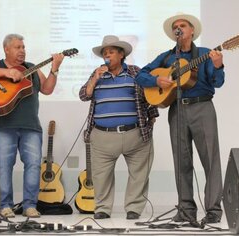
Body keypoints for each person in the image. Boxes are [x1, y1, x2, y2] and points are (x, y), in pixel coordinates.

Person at [135, 14, 224, 224]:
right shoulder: (166, 58)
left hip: (202, 107)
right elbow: (140, 75)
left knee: (210, 159)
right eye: (176, 26)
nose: (179, 28)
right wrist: (157, 79)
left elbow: (218, 82)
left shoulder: (205, 54)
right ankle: (185, 210)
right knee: (181, 161)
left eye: (183, 25)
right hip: (177, 109)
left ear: (192, 31)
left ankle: (213, 210)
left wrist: (218, 65)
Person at [0, 34, 65, 218]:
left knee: (33, 165)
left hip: (31, 126)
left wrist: (54, 69)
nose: (22, 50)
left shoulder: (32, 68)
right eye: (17, 47)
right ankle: (4, 205)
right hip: (3, 126)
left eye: (23, 47)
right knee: (4, 166)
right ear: (6, 49)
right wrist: (7, 73)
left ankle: (30, 205)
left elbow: (47, 89)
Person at [79, 35, 159, 220]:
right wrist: (94, 79)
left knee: (139, 174)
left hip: (135, 134)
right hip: (102, 136)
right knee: (101, 175)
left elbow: (149, 97)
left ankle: (134, 208)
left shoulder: (135, 72)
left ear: (121, 54)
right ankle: (103, 208)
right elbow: (84, 95)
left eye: (111, 52)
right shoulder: (96, 74)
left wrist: (151, 120)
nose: (107, 55)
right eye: (104, 53)